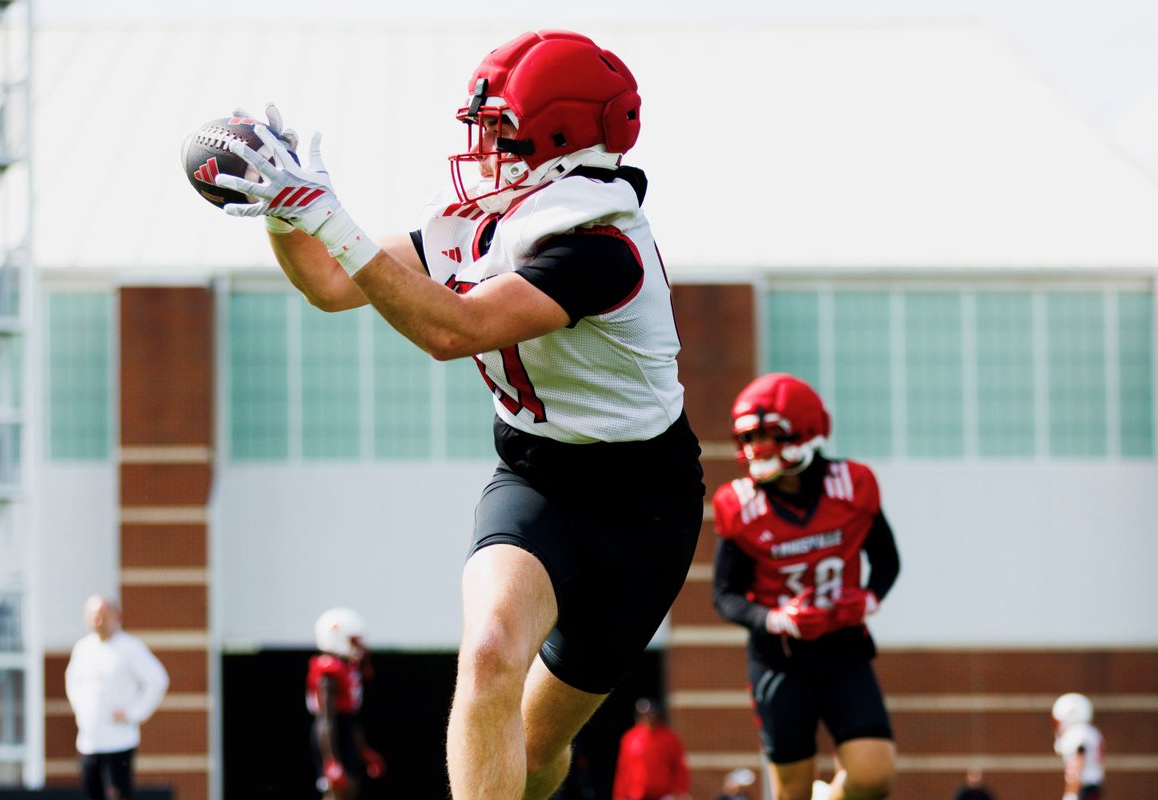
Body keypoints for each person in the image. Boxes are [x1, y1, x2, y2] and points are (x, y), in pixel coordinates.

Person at [209, 29, 705, 800]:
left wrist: (328, 217)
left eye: (501, 130)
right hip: (538, 476)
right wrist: (284, 209)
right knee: (490, 651)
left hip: (643, 509)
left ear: (561, 139)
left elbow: (454, 330)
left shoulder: (602, 248)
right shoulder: (485, 223)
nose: (484, 148)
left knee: (537, 753)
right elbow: (330, 284)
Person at [710, 373, 901, 800]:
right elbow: (724, 595)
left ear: (805, 429)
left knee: (875, 778)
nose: (755, 447)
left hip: (843, 648)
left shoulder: (851, 486)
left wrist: (868, 599)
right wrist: (776, 619)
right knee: (791, 792)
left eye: (767, 433)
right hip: (780, 660)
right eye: (748, 436)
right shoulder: (741, 505)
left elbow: (887, 561)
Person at [64, 595, 169, 800]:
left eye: (103, 615)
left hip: (119, 742)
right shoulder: (82, 649)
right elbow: (72, 682)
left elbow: (158, 681)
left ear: (115, 616)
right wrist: (81, 710)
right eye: (93, 616)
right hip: (89, 742)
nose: (98, 621)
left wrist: (133, 713)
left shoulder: (130, 648)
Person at [307, 607, 386, 799]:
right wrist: (331, 761)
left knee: (350, 789)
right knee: (336, 793)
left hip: (344, 732)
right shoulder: (328, 672)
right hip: (332, 738)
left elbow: (349, 718)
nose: (359, 646)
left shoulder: (347, 668)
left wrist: (363, 750)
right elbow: (326, 720)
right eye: (353, 640)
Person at [611, 699, 691, 800]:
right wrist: (620, 794)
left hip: (663, 794)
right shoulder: (630, 737)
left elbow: (679, 765)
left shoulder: (668, 737)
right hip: (637, 795)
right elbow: (623, 769)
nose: (647, 718)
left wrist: (680, 790)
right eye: (643, 714)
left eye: (650, 714)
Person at [1051, 692, 1105, 800]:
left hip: (1084, 787)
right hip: (1094, 785)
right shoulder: (1091, 732)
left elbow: (1077, 762)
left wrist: (1070, 794)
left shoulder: (1078, 734)